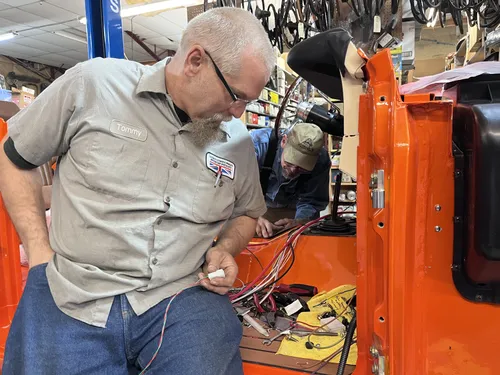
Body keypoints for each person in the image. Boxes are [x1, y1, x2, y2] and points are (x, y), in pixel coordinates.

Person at [0, 8, 274, 375]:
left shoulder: (237, 143)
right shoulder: (93, 85)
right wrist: (37, 253)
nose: (239, 113)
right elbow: (15, 159)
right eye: (236, 96)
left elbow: (247, 211)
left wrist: (225, 248)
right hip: (74, 292)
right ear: (195, 61)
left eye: (248, 102)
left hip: (180, 297)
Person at [250, 123, 331, 238]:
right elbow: (234, 188)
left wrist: (300, 221)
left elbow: (311, 201)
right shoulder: (256, 144)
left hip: (294, 211)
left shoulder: (321, 160)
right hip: (253, 207)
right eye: (289, 162)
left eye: (301, 167)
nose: (293, 171)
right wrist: (249, 216)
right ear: (284, 141)